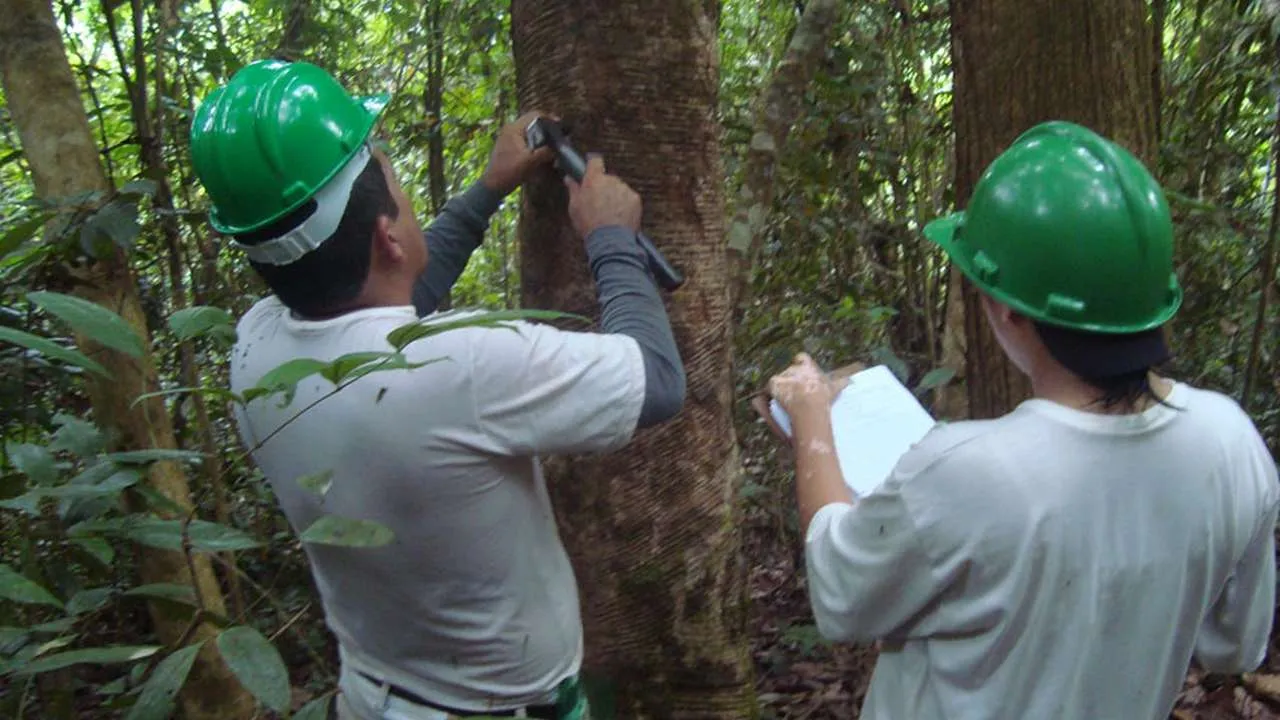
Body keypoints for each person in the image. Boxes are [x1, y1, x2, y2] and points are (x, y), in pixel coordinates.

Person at [189, 59, 686, 720]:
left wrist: (488, 189)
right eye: (393, 173)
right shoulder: (462, 366)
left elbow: (387, 307)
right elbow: (656, 380)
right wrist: (613, 240)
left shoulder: (256, 347)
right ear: (387, 234)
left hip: (371, 698)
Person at [767, 121, 1279, 720]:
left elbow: (839, 591)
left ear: (1007, 309)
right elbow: (1234, 644)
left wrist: (811, 417)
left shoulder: (966, 470)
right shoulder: (1231, 440)